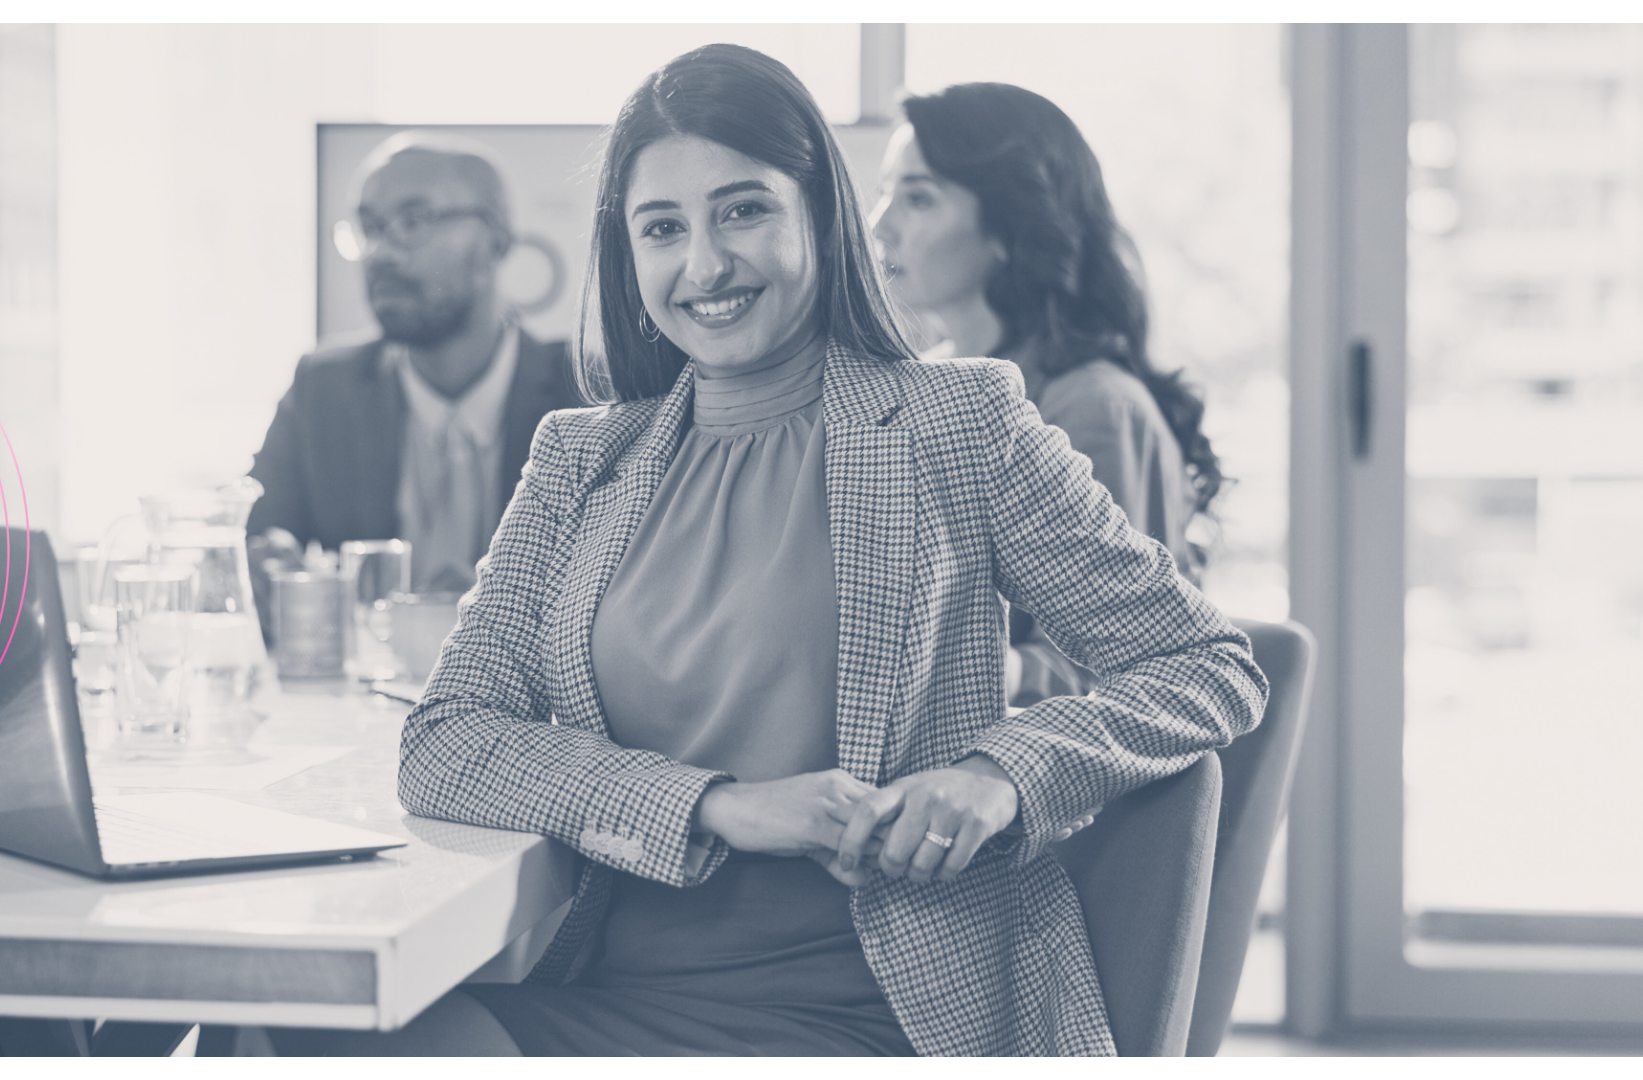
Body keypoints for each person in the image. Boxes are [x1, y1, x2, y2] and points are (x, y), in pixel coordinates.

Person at [261, 45, 1266, 1057]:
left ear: (819, 218)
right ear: (629, 256)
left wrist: (1000, 773)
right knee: (275, 1031)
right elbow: (445, 742)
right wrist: (721, 808)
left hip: (882, 1008)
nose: (703, 266)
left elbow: (1210, 666)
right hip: (616, 986)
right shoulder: (580, 457)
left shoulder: (957, 424)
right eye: (663, 229)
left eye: (743, 211)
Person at [869, 83, 1227, 700]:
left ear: (1009, 229)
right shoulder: (924, 385)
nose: (880, 226)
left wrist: (950, 669)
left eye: (919, 199)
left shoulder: (1092, 407)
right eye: (884, 194)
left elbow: (1124, 665)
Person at [246, 133, 580, 594]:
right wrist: (267, 561)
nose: (380, 252)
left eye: (414, 220)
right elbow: (256, 538)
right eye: (370, 228)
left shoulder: (587, 393)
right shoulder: (322, 389)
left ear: (495, 242)